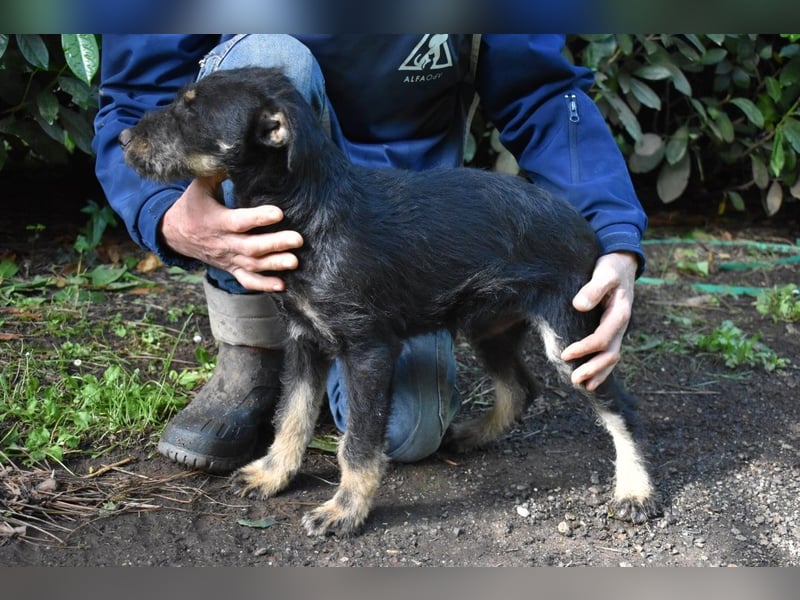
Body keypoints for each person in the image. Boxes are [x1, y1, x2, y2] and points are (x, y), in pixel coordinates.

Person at [93, 34, 647, 474]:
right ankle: (251, 350)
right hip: (278, 156)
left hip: (409, 226)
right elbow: (138, 91)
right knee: (266, 58)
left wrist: (613, 234)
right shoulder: (260, 116)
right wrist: (162, 210)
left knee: (408, 433)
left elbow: (542, 90)